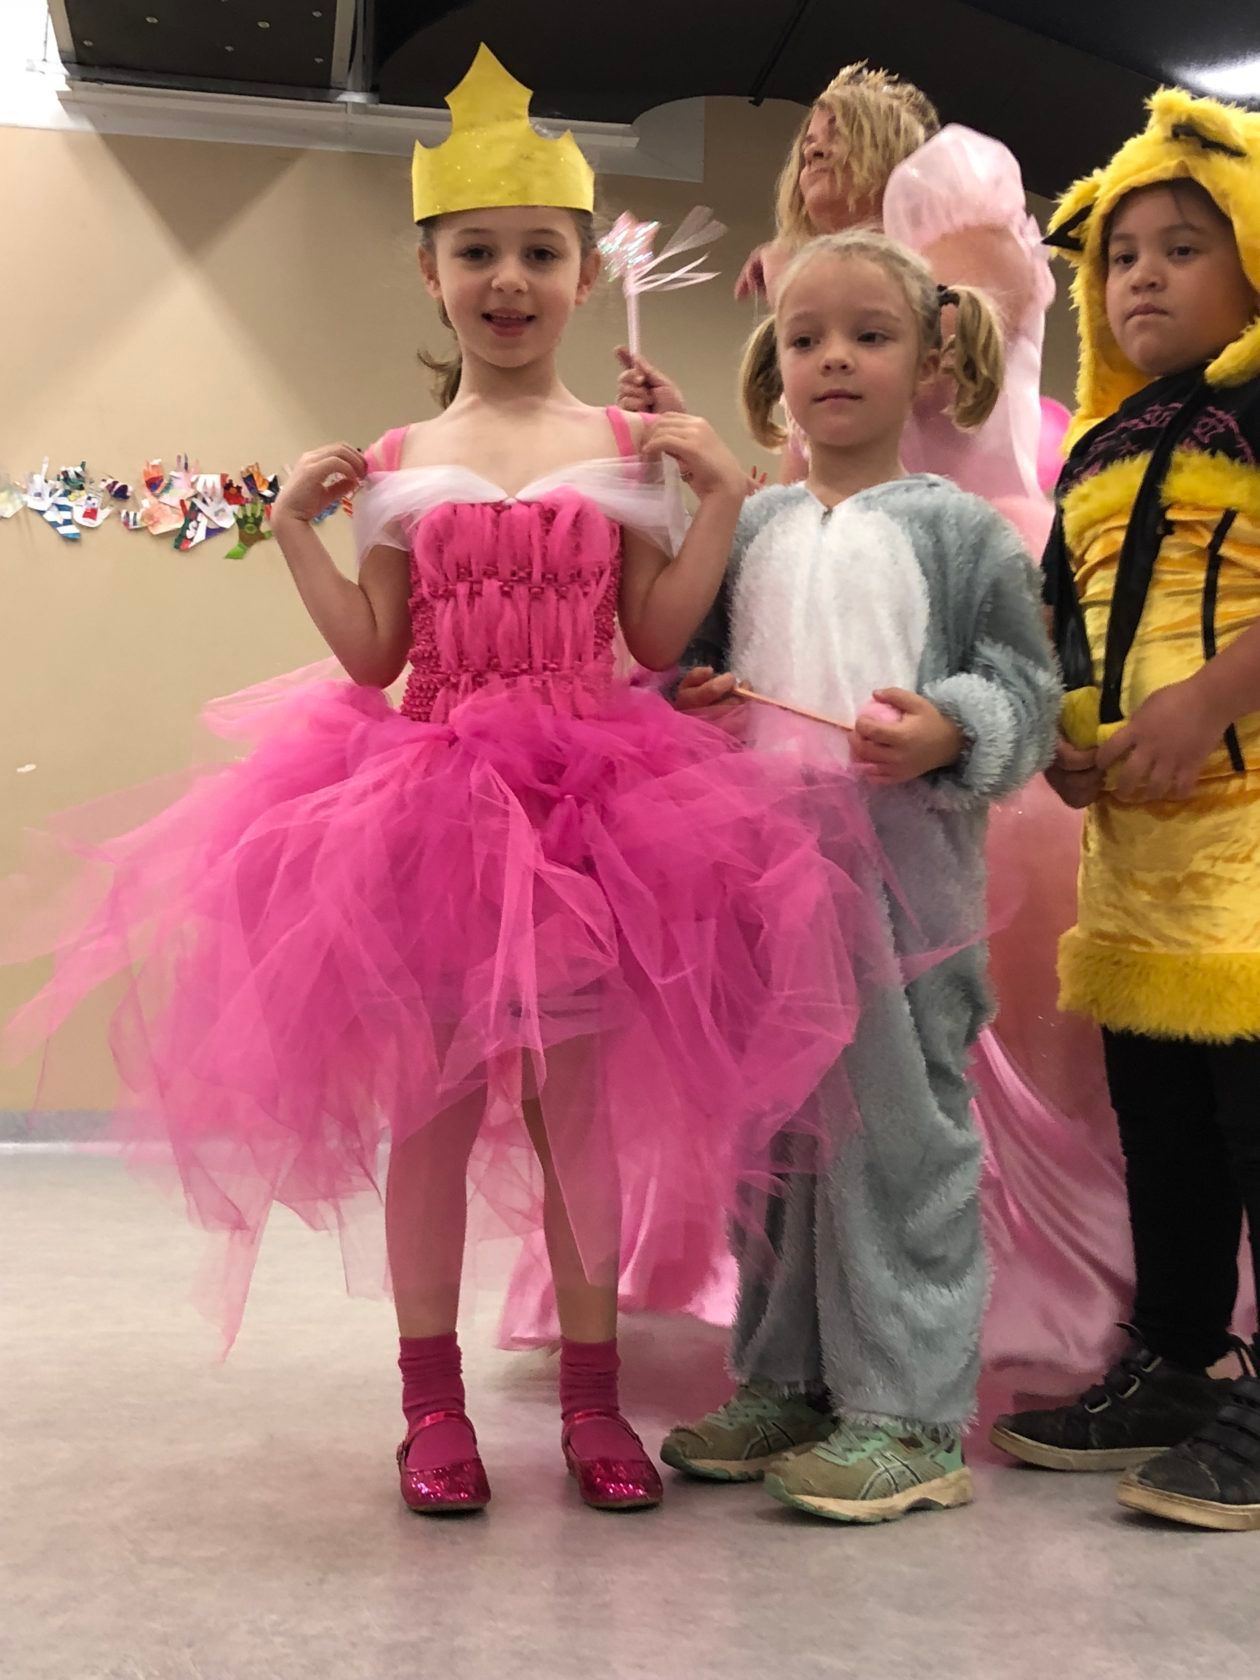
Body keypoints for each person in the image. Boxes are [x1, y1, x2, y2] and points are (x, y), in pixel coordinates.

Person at [2, 47, 885, 1518]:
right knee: (429, 1116)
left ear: (583, 275)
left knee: (578, 1122)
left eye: (540, 251)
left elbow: (658, 636)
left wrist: (719, 494)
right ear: (430, 273)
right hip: (430, 817)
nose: (510, 279)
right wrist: (294, 533)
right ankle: (432, 1411)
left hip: (601, 820)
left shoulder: (619, 444)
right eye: (477, 251)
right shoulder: (403, 458)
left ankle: (594, 1409)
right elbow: (371, 658)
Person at [659, 228, 1059, 1523]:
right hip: (759, 897)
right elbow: (690, 668)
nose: (834, 359)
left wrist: (951, 725)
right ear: (776, 365)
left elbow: (1027, 693)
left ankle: (909, 1414)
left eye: (868, 336)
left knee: (901, 1144)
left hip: (906, 911)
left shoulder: (962, 536)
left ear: (930, 358)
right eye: (806, 337)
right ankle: (785, 1376)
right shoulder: (756, 521)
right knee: (769, 1145)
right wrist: (702, 702)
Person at [991, 89, 1260, 1533]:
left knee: (1254, 1121)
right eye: (1120, 256)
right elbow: (1064, 630)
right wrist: (1062, 741)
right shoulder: (1095, 451)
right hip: (1141, 859)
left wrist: (1215, 695)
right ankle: (1175, 1357)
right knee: (1163, 1126)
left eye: (1183, 245)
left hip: (1256, 856)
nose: (1141, 274)